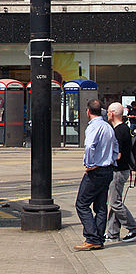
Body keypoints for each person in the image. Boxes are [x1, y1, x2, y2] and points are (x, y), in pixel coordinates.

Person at [74, 99, 119, 251]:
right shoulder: (108, 127)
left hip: (97, 170)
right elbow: (115, 147)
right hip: (108, 169)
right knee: (100, 206)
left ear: (88, 111)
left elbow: (89, 146)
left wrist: (89, 164)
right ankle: (99, 238)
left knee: (82, 204)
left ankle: (92, 237)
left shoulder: (94, 127)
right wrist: (112, 160)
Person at [105, 102, 136, 243]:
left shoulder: (118, 131)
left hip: (118, 170)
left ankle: (133, 227)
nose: (106, 115)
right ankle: (112, 233)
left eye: (108, 112)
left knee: (115, 203)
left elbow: (117, 154)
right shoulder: (124, 128)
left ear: (112, 113)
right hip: (123, 170)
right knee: (114, 202)